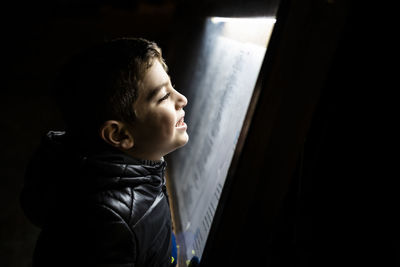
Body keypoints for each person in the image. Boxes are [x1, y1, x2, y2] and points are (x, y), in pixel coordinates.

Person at [20, 37, 189, 266]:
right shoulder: (107, 224)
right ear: (119, 135)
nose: (182, 99)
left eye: (172, 87)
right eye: (164, 97)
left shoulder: (139, 171)